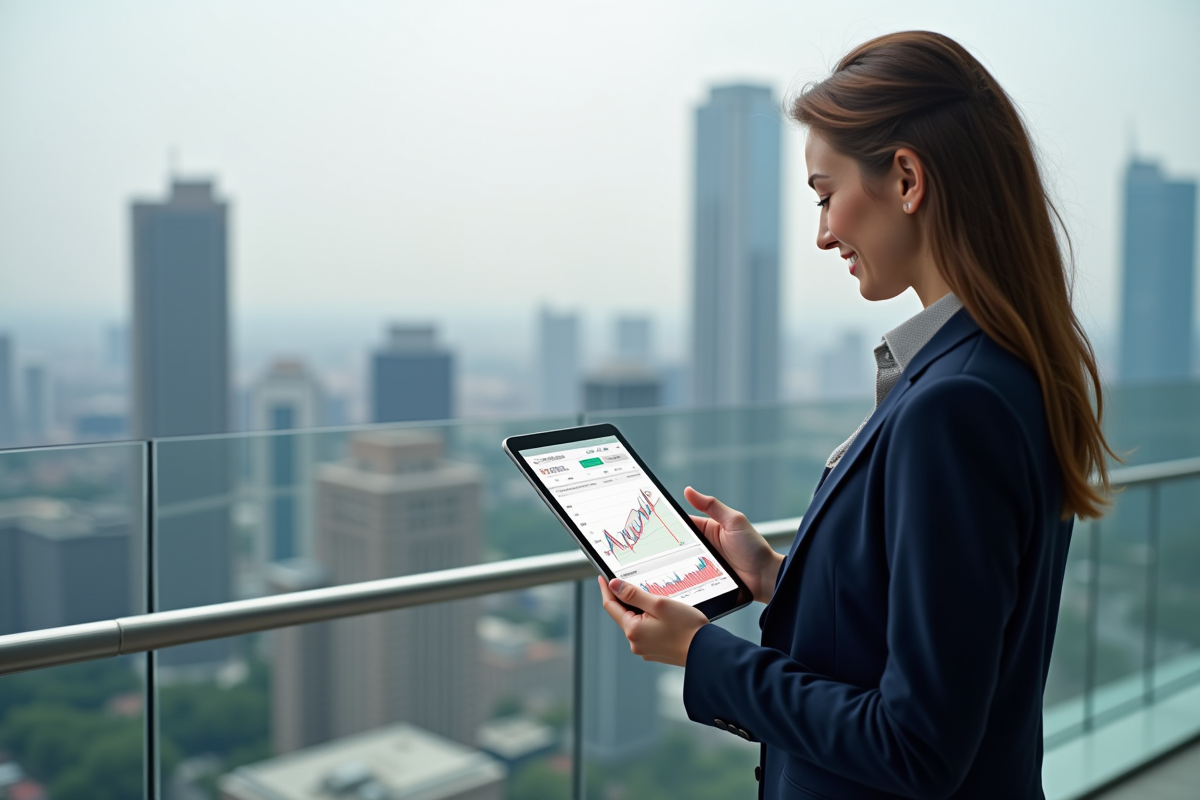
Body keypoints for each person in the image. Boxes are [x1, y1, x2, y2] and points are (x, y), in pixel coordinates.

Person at [597, 30, 1116, 800]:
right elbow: (937, 622)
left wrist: (705, 654)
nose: (824, 232)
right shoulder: (997, 369)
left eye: (824, 194)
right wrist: (779, 574)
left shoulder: (955, 405)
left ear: (906, 177)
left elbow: (916, 746)